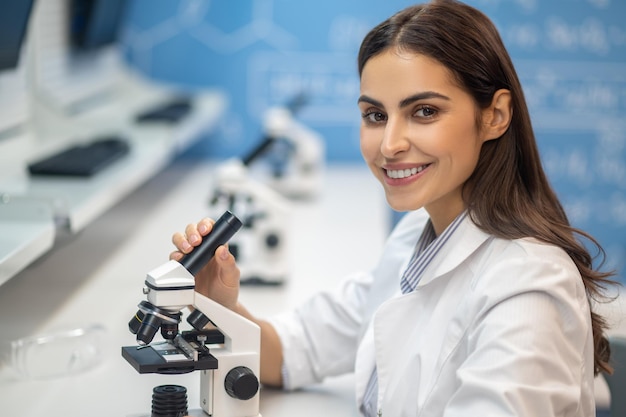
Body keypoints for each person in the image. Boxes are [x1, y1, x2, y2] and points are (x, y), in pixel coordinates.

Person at [171, 0, 618, 415]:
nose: (390, 144)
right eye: (375, 115)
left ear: (495, 116)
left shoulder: (528, 288)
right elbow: (293, 350)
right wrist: (219, 305)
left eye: (424, 111)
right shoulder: (418, 235)